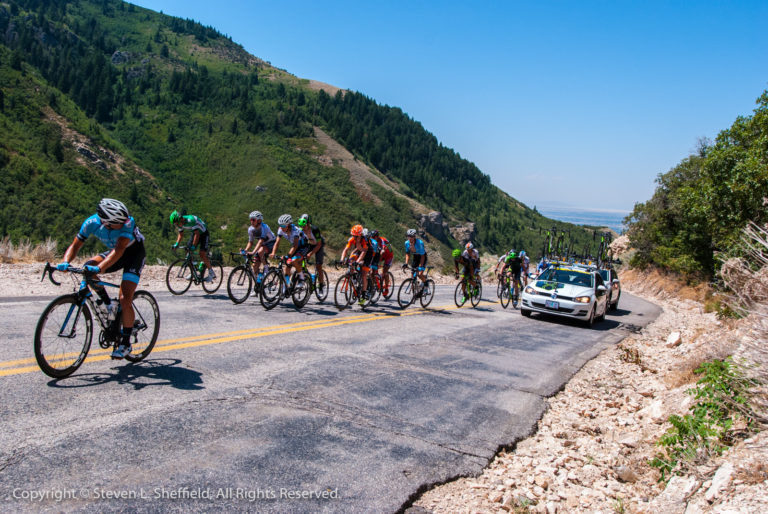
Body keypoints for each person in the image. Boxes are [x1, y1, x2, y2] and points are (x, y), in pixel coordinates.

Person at [57, 199, 145, 359]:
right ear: (107, 223)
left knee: (125, 298)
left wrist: (100, 268)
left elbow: (119, 250)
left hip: (133, 255)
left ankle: (125, 343)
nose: (125, 222)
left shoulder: (128, 222)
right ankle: (108, 303)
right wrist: (65, 262)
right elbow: (75, 245)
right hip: (114, 253)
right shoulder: (91, 223)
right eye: (119, 222)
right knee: (87, 268)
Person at [170, 210, 215, 283]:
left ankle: (211, 272)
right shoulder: (179, 223)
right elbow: (181, 234)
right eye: (175, 224)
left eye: (177, 223)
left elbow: (197, 235)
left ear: (181, 219)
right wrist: (177, 244)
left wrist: (194, 246)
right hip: (194, 233)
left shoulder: (190, 220)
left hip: (203, 234)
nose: (177, 225)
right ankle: (194, 271)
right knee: (187, 250)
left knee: (202, 253)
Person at [268, 214, 311, 286]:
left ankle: (301, 279)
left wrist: (287, 256)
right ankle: (286, 286)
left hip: (303, 246)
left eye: (284, 226)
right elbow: (277, 242)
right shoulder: (280, 229)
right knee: (287, 265)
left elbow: (295, 246)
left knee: (294, 260)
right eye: (280, 226)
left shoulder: (295, 231)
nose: (282, 228)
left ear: (289, 225)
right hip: (295, 246)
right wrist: (273, 253)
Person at [339, 224, 370, 303]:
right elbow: (345, 250)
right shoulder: (352, 239)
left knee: (363, 274)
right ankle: (354, 279)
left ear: (360, 235)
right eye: (353, 236)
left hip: (369, 254)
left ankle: (363, 293)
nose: (354, 238)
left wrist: (357, 262)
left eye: (356, 236)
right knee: (351, 261)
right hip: (360, 252)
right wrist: (342, 259)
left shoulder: (365, 240)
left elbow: (364, 252)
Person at [241, 210, 275, 282]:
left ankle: (266, 268)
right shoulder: (251, 229)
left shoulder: (264, 227)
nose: (251, 221)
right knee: (255, 266)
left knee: (260, 251)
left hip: (271, 243)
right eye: (251, 220)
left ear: (259, 220)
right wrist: (246, 250)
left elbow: (260, 241)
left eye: (253, 220)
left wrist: (253, 252)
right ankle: (259, 284)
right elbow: (250, 242)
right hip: (262, 245)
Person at [297, 214, 325, 292]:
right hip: (309, 244)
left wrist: (310, 254)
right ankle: (307, 276)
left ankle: (321, 285)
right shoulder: (300, 230)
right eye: (302, 226)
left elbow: (319, 244)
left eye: (305, 226)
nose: (303, 228)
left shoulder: (315, 229)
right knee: (299, 259)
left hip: (318, 245)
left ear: (309, 223)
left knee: (318, 265)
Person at [370, 230, 393, 295]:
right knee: (373, 271)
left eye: (374, 237)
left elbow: (382, 251)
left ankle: (386, 288)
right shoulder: (372, 241)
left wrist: (378, 262)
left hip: (388, 256)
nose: (372, 238)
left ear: (377, 237)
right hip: (379, 255)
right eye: (371, 237)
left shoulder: (382, 240)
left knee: (385, 272)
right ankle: (375, 284)